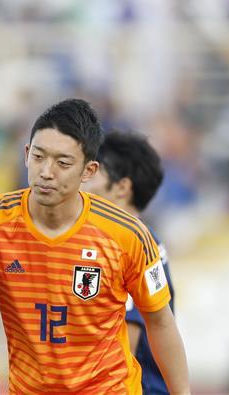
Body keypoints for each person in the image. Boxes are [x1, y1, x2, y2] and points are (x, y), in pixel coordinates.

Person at [0, 99, 190, 394]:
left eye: (63, 163)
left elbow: (160, 322)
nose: (46, 172)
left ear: (89, 171)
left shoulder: (128, 234)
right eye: (39, 157)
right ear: (26, 154)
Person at [86, 131, 176, 395]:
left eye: (94, 171)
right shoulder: (140, 242)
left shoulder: (134, 246)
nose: (83, 179)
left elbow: (127, 338)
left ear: (122, 187)